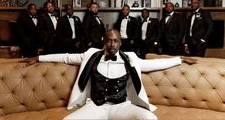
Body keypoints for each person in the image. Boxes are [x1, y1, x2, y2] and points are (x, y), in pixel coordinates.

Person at [22, 29, 196, 120]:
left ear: (120, 43)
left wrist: (179, 59)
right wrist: (38, 57)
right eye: (109, 40)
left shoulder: (131, 58)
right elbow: (66, 57)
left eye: (115, 41)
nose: (112, 44)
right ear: (103, 42)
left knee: (149, 118)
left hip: (122, 107)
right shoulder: (91, 54)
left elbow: (153, 64)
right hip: (95, 106)